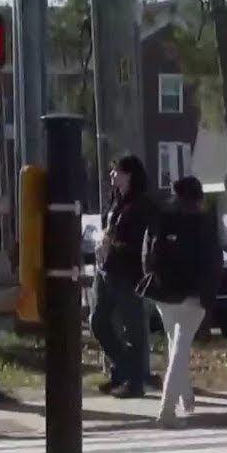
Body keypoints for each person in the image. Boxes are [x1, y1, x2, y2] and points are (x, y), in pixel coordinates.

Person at [136, 176, 222, 428]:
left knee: (175, 344)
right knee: (180, 349)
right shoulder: (203, 222)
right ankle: (167, 410)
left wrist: (150, 277)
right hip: (192, 295)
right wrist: (208, 294)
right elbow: (213, 260)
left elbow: (146, 252)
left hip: (163, 292)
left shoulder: (160, 217)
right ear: (198, 197)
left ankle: (186, 398)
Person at [91, 154, 155, 399]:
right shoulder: (115, 201)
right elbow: (108, 229)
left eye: (116, 171)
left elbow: (141, 243)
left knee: (133, 328)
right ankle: (123, 370)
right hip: (106, 268)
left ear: (129, 174)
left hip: (127, 273)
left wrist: (113, 246)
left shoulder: (141, 205)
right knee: (98, 320)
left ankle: (134, 381)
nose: (112, 175)